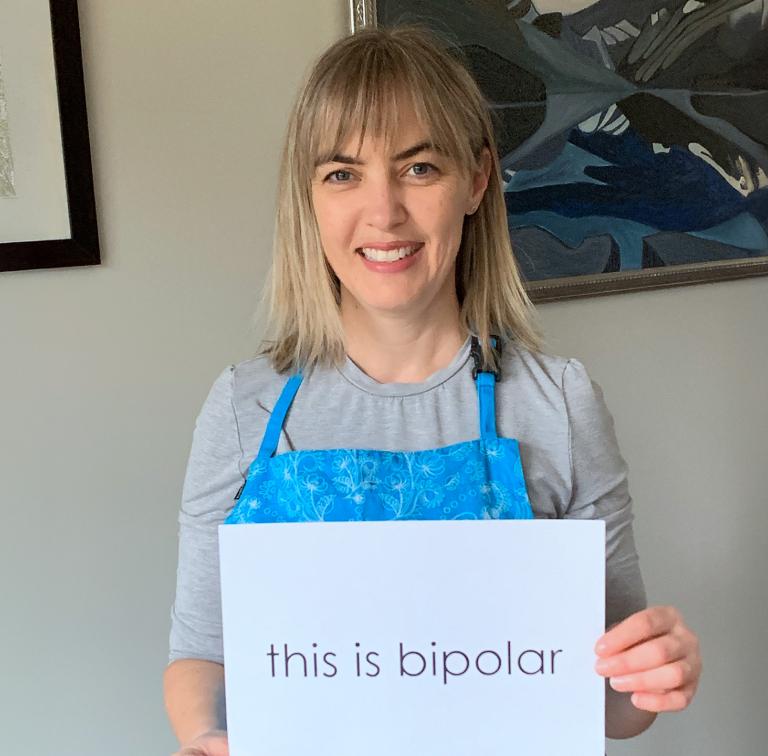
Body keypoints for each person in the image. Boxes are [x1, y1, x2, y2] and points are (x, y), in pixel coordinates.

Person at [163, 25, 702, 756]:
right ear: (309, 197)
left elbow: (610, 703)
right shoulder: (243, 407)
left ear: (476, 180)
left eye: (418, 168)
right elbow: (203, 650)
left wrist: (652, 671)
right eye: (342, 174)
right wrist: (204, 735)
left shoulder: (559, 403)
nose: (383, 212)